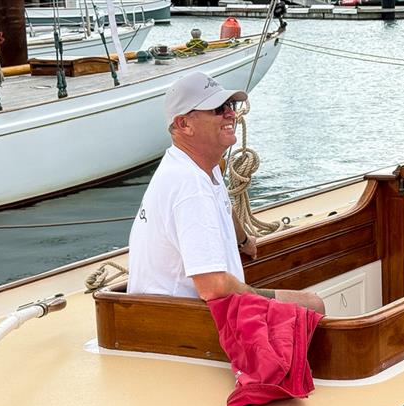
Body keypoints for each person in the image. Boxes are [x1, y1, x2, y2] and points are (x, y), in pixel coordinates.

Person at [127, 71, 325, 314]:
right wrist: (258, 297)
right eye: (218, 109)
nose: (231, 113)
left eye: (230, 105)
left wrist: (244, 241)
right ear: (184, 124)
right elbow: (213, 287)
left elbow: (223, 205)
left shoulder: (198, 166)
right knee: (313, 306)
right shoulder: (190, 184)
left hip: (172, 312)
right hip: (179, 319)